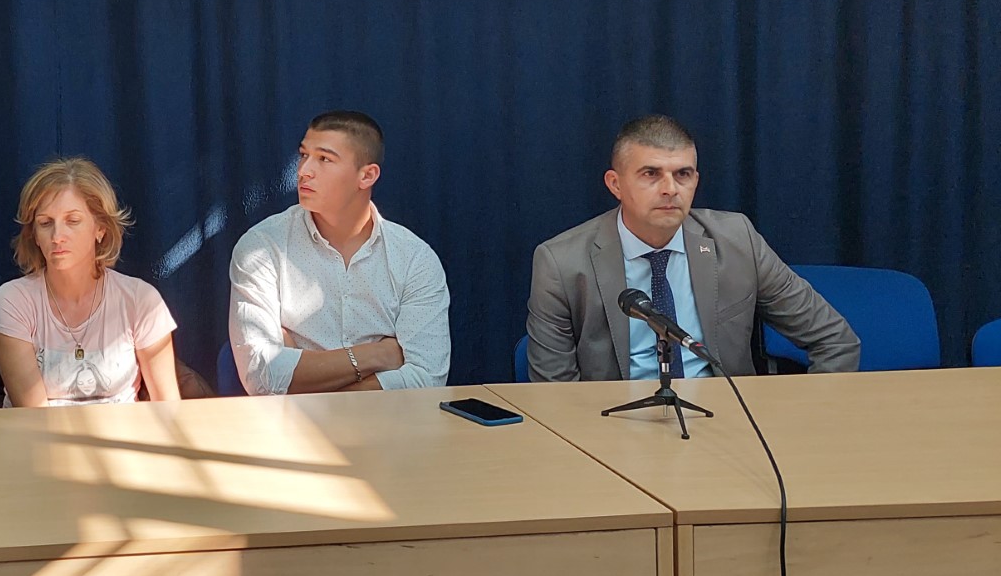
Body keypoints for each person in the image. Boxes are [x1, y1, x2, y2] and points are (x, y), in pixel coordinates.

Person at [526, 115, 859, 381]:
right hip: (615, 425)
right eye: (651, 174)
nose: (670, 189)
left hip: (724, 424)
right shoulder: (561, 263)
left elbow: (834, 340)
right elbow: (554, 392)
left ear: (695, 181)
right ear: (616, 184)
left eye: (682, 174)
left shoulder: (737, 240)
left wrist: (807, 419)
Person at [228, 111, 451, 395]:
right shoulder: (262, 248)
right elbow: (262, 375)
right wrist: (378, 355)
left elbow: (427, 380)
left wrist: (304, 373)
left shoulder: (413, 259)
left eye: (324, 159)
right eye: (304, 155)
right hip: (290, 422)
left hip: (390, 421)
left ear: (367, 176)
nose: (304, 170)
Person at [0, 157, 181, 406]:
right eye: (45, 223)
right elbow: (34, 416)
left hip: (122, 431)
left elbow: (168, 408)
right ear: (34, 235)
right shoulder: (13, 301)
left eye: (73, 221)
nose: (57, 236)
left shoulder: (141, 300)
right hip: (38, 432)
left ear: (100, 228)